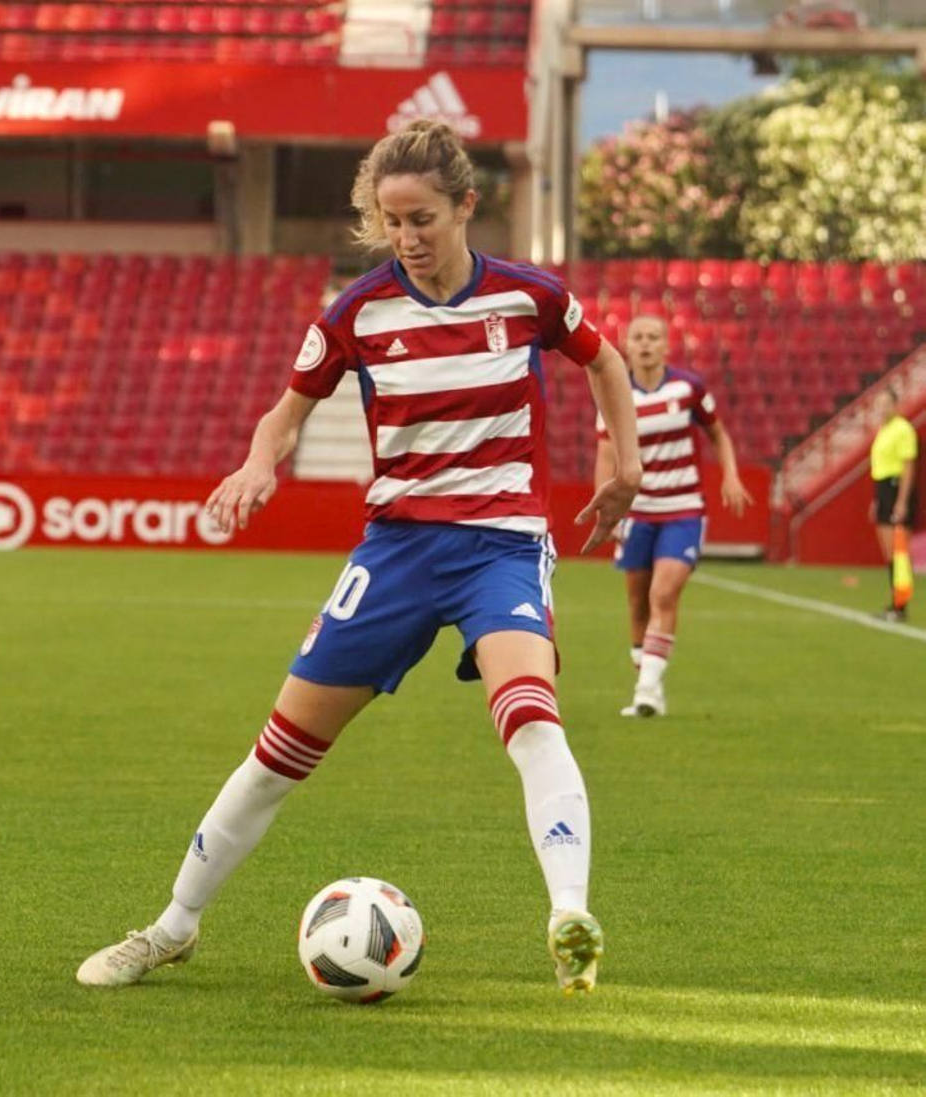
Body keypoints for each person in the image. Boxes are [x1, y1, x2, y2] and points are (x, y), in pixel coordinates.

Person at [75, 121, 643, 996]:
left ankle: (570, 914)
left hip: (502, 543)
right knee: (279, 754)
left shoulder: (530, 297)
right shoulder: (359, 311)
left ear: (466, 206)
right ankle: (170, 927)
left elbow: (604, 363)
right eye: (392, 223)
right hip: (399, 549)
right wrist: (260, 461)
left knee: (531, 715)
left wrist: (624, 466)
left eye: (422, 219)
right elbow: (287, 411)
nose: (408, 240)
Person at [594, 315, 752, 717]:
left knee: (663, 594)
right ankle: (649, 684)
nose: (645, 344)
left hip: (683, 508)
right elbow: (607, 452)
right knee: (637, 606)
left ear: (666, 346)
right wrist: (607, 508)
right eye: (638, 337)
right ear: (626, 345)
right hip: (638, 511)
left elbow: (718, 432)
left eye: (653, 338)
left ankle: (646, 690)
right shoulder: (614, 395)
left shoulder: (688, 388)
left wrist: (730, 476)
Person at [868, 387, 916, 621]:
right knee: (889, 552)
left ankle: (900, 605)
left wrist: (902, 501)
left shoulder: (903, 429)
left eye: (886, 403)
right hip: (883, 489)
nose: (882, 408)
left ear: (896, 405)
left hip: (897, 488)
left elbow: (908, 466)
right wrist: (877, 498)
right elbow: (880, 467)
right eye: (880, 404)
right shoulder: (883, 430)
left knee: (898, 552)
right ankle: (895, 602)